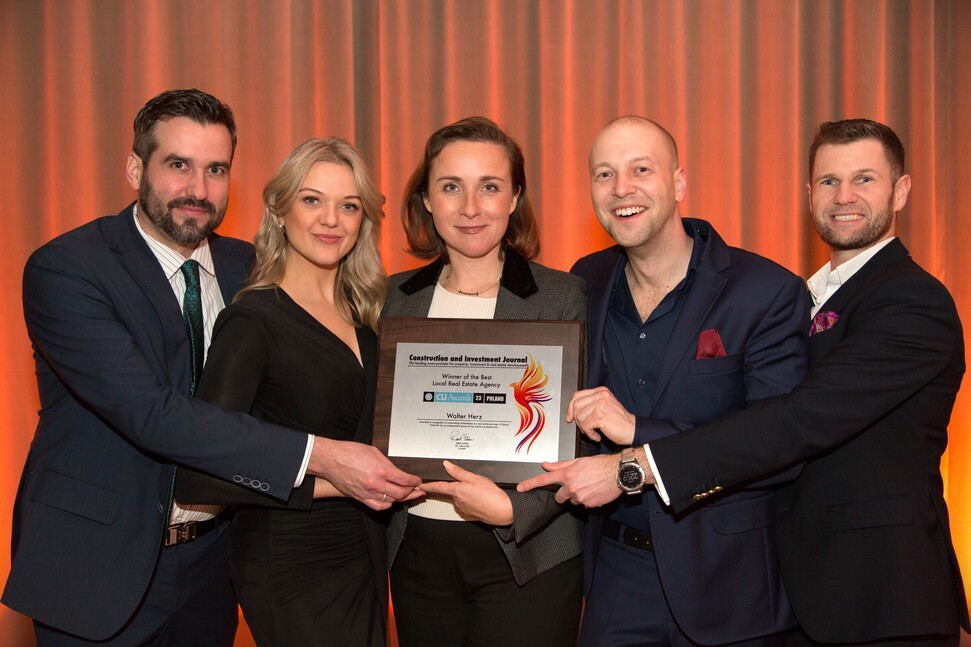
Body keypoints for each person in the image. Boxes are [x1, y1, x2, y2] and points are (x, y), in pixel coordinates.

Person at [522, 118, 969, 644]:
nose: (844, 196)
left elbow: (795, 423)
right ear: (810, 194)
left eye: (864, 179)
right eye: (829, 181)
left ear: (902, 190)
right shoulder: (814, 293)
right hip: (792, 584)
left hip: (882, 592)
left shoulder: (911, 301)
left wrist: (634, 461)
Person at [2, 89, 420, 646]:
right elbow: (151, 412)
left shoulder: (250, 266)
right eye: (179, 165)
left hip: (214, 568)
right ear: (135, 168)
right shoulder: (69, 269)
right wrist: (320, 456)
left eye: (216, 170)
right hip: (97, 566)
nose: (198, 189)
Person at [520, 116, 810, 646]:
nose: (621, 189)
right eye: (604, 174)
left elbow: (779, 447)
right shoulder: (585, 280)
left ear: (678, 183)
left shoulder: (765, 291)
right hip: (615, 581)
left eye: (641, 170)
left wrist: (638, 434)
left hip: (730, 586)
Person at [174, 137, 394, 645]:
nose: (331, 220)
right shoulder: (252, 320)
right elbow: (199, 478)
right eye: (311, 200)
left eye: (349, 206)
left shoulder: (369, 318)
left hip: (363, 546)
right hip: (289, 558)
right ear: (279, 210)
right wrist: (341, 481)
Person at [383, 116, 586, 647]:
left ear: (515, 197)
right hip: (417, 551)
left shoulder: (562, 298)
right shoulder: (391, 298)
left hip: (529, 552)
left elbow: (583, 439)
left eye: (489, 187)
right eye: (451, 187)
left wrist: (514, 510)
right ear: (427, 200)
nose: (470, 208)